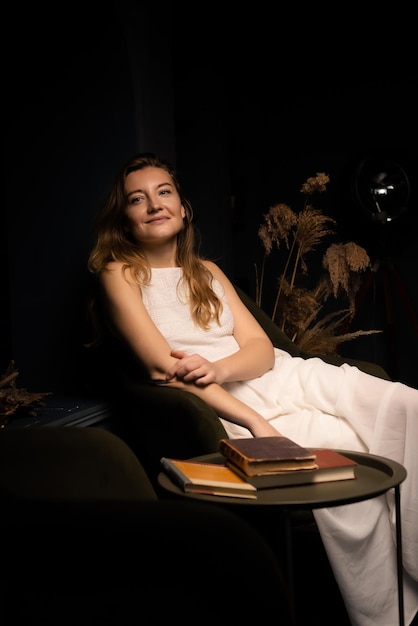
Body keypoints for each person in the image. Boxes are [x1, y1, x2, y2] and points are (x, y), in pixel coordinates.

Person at [88, 152, 418, 626]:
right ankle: (386, 614)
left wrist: (219, 367)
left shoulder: (208, 271)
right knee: (349, 459)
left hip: (280, 374)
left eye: (164, 192)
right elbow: (163, 369)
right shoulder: (118, 273)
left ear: (184, 209)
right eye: (137, 199)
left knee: (407, 403)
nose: (153, 204)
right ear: (124, 218)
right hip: (230, 403)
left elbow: (262, 351)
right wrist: (253, 422)